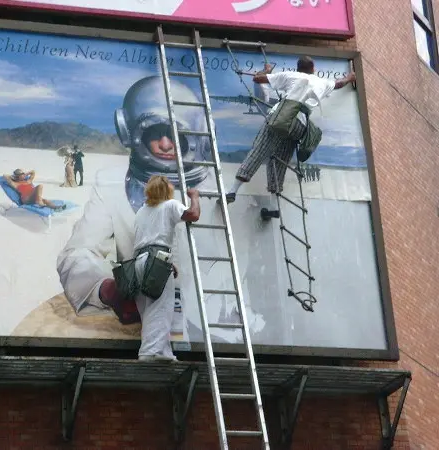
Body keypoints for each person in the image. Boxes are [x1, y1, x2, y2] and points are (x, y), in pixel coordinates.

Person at [56, 76, 266, 343]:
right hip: (145, 324)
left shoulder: (228, 189)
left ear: (199, 132)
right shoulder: (111, 184)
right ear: (128, 130)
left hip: (222, 330)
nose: (167, 144)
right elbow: (78, 252)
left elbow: (255, 261)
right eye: (155, 132)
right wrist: (108, 289)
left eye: (178, 134)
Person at [224, 56, 357, 204]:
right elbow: (339, 83)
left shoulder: (290, 75)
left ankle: (232, 191)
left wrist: (266, 70)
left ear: (298, 68)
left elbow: (258, 79)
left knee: (259, 151)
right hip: (299, 127)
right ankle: (274, 207)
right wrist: (350, 77)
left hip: (281, 119)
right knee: (280, 161)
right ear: (313, 69)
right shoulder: (322, 82)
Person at [133, 175, 200, 362]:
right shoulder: (170, 205)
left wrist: (168, 263)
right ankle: (150, 352)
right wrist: (194, 196)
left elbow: (148, 241)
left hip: (139, 262)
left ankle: (162, 351)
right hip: (157, 259)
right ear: (167, 191)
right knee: (161, 307)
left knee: (148, 310)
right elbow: (193, 215)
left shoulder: (142, 211)